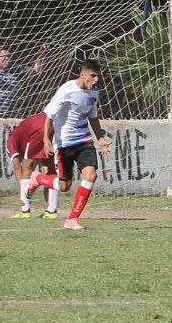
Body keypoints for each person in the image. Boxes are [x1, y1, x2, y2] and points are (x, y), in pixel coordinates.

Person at [27, 60, 112, 230]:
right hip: (64, 143)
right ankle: (38, 178)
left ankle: (72, 219)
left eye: (98, 76)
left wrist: (101, 140)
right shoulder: (67, 90)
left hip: (84, 141)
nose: (96, 80)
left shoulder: (94, 93)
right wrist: (46, 140)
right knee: (64, 186)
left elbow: (93, 118)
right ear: (83, 74)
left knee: (90, 175)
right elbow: (49, 116)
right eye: (92, 76)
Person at [6, 111, 59, 219]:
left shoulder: (10, 142)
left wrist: (22, 193)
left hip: (40, 129)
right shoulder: (23, 131)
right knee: (49, 168)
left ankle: (25, 210)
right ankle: (51, 211)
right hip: (54, 124)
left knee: (27, 168)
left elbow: (17, 166)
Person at [0, 43, 47, 119]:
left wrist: (41, 54)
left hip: (8, 118)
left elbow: (35, 71)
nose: (7, 58)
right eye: (4, 56)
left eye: (9, 56)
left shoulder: (15, 70)